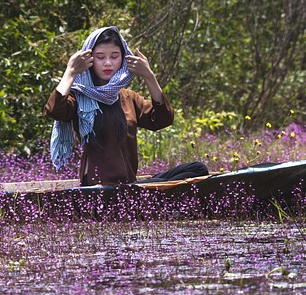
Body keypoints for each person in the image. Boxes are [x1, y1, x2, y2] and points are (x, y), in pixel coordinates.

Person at [44, 26, 207, 186]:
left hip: (129, 186)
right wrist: (71, 72)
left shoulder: (128, 98)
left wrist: (149, 76)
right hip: (98, 188)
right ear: (90, 60)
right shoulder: (80, 98)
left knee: (197, 169)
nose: (107, 63)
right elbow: (55, 110)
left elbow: (162, 119)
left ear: (123, 58)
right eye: (100, 57)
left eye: (114, 56)